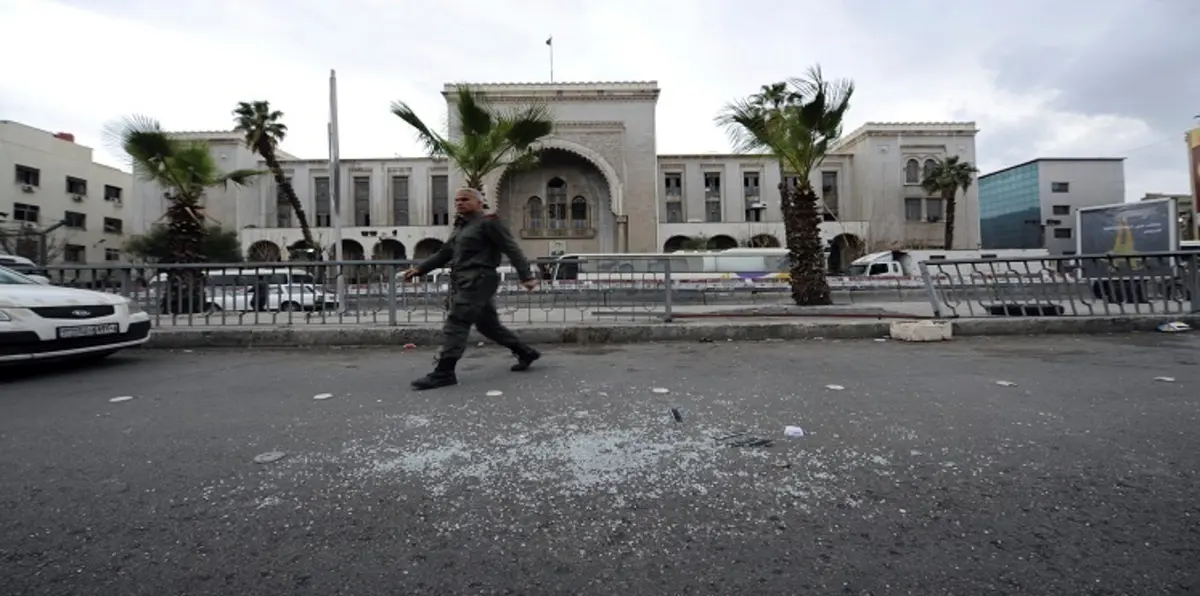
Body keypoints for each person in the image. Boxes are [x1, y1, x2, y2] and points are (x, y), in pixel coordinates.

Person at [403, 187, 541, 390]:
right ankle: (525, 352)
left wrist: (526, 276)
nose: (459, 203)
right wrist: (420, 269)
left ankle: (444, 372)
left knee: (457, 321)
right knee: (488, 326)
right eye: (457, 200)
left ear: (479, 203)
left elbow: (511, 248)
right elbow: (444, 254)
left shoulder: (488, 222)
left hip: (480, 279)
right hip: (464, 281)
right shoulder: (461, 228)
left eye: (465, 199)